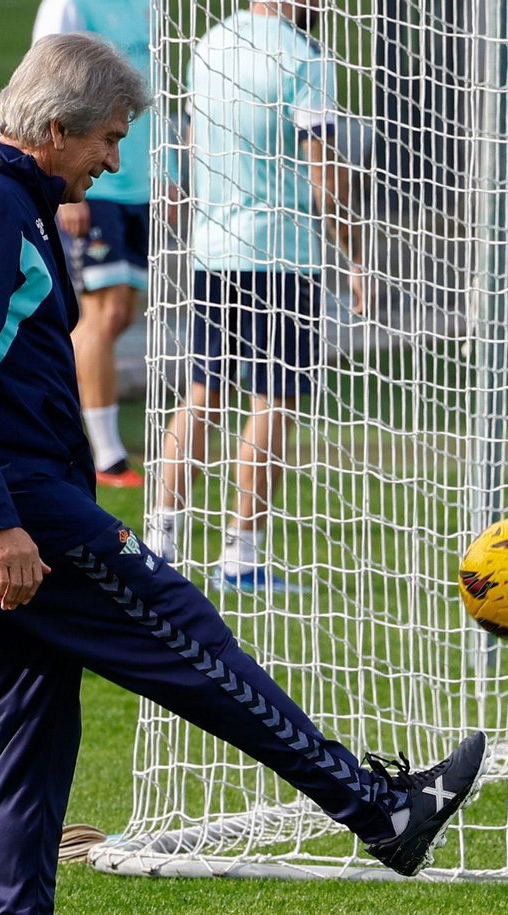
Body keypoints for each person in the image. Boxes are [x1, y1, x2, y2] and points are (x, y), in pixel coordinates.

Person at [0, 33, 485, 915]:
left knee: (33, 743)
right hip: (6, 511)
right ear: (53, 128)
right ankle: (380, 810)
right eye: (107, 140)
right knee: (190, 635)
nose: (115, 161)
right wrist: (0, 524)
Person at [145, 0, 366, 592]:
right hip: (281, 254)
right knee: (273, 400)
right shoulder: (304, 57)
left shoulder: (209, 44)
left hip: (212, 251)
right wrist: (355, 254)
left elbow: (191, 144)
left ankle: (160, 543)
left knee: (203, 393)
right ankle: (241, 557)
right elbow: (325, 176)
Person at [31, 0, 150, 489]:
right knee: (101, 312)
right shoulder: (69, 5)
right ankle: (105, 454)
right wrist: (60, 188)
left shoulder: (147, 6)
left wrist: (168, 171)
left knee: (120, 315)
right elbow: (47, 84)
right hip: (93, 183)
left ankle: (76, 428)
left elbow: (154, 92)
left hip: (141, 184)